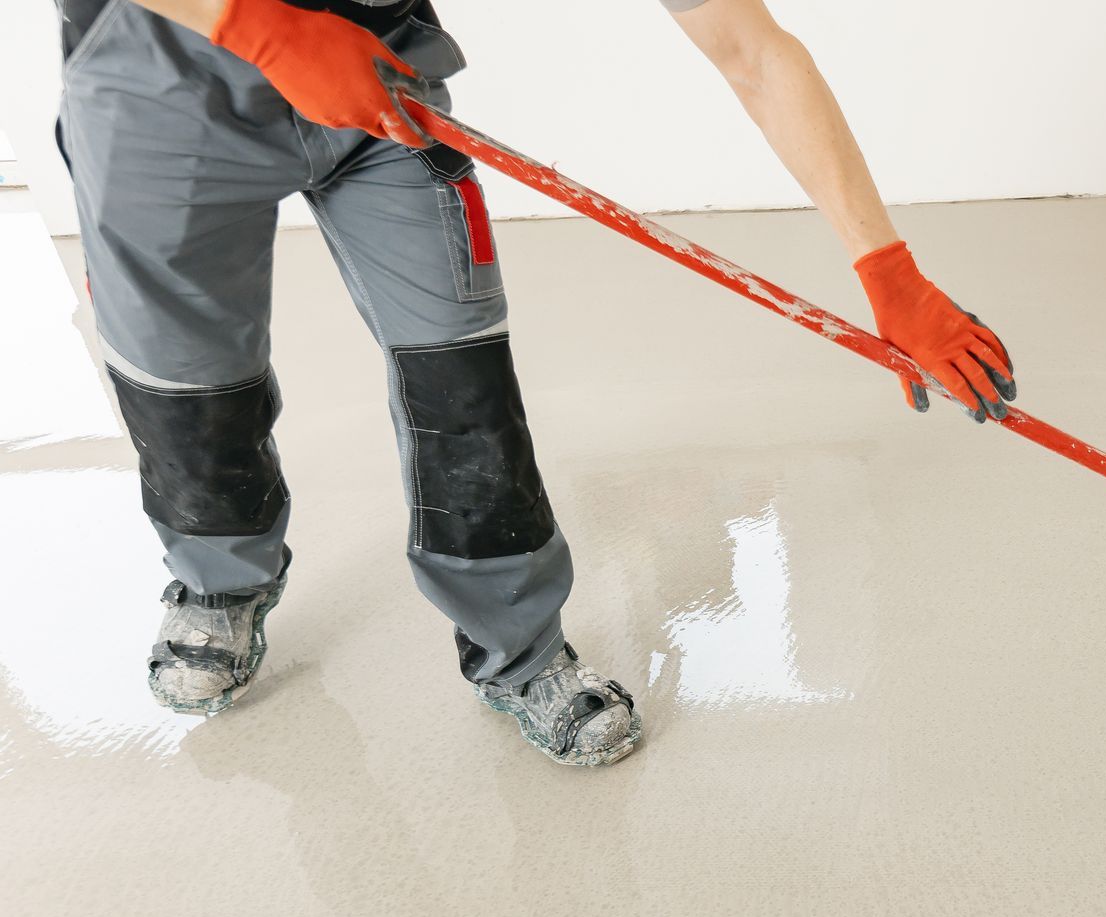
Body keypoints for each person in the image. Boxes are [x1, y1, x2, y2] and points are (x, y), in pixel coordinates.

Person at [54, 0, 1016, 765]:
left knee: (461, 380)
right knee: (188, 383)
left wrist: (888, 272)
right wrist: (260, 23)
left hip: (375, 81)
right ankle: (219, 582)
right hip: (160, 80)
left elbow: (752, 49)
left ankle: (519, 648)